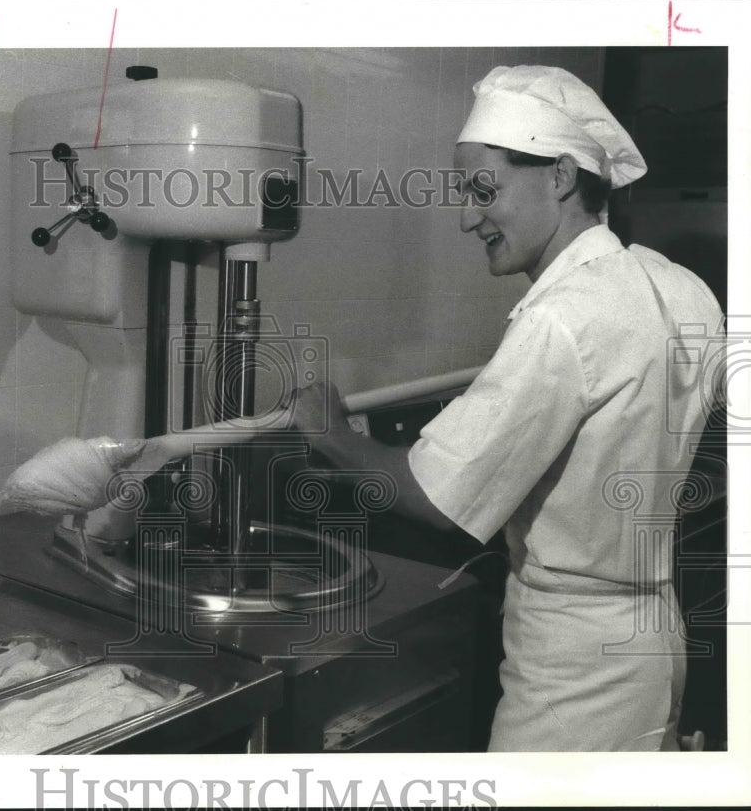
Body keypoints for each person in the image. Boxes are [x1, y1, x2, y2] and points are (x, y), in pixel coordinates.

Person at [288, 65, 725, 752]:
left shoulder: (563, 317)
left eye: (483, 189)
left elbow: (436, 495)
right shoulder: (684, 287)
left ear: (557, 175)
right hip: (656, 638)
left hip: (573, 665)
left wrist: (332, 434)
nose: (467, 216)